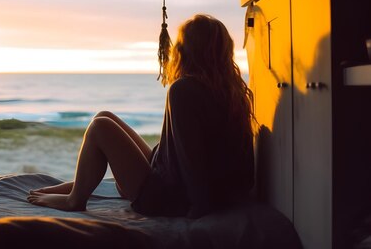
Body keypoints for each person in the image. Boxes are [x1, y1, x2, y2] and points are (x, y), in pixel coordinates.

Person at [27, 14, 255, 218]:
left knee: (100, 127)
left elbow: (190, 156)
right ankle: (80, 185)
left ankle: (74, 199)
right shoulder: (232, 91)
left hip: (167, 197)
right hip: (180, 183)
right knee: (105, 115)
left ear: (186, 50)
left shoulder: (184, 89)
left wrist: (199, 208)